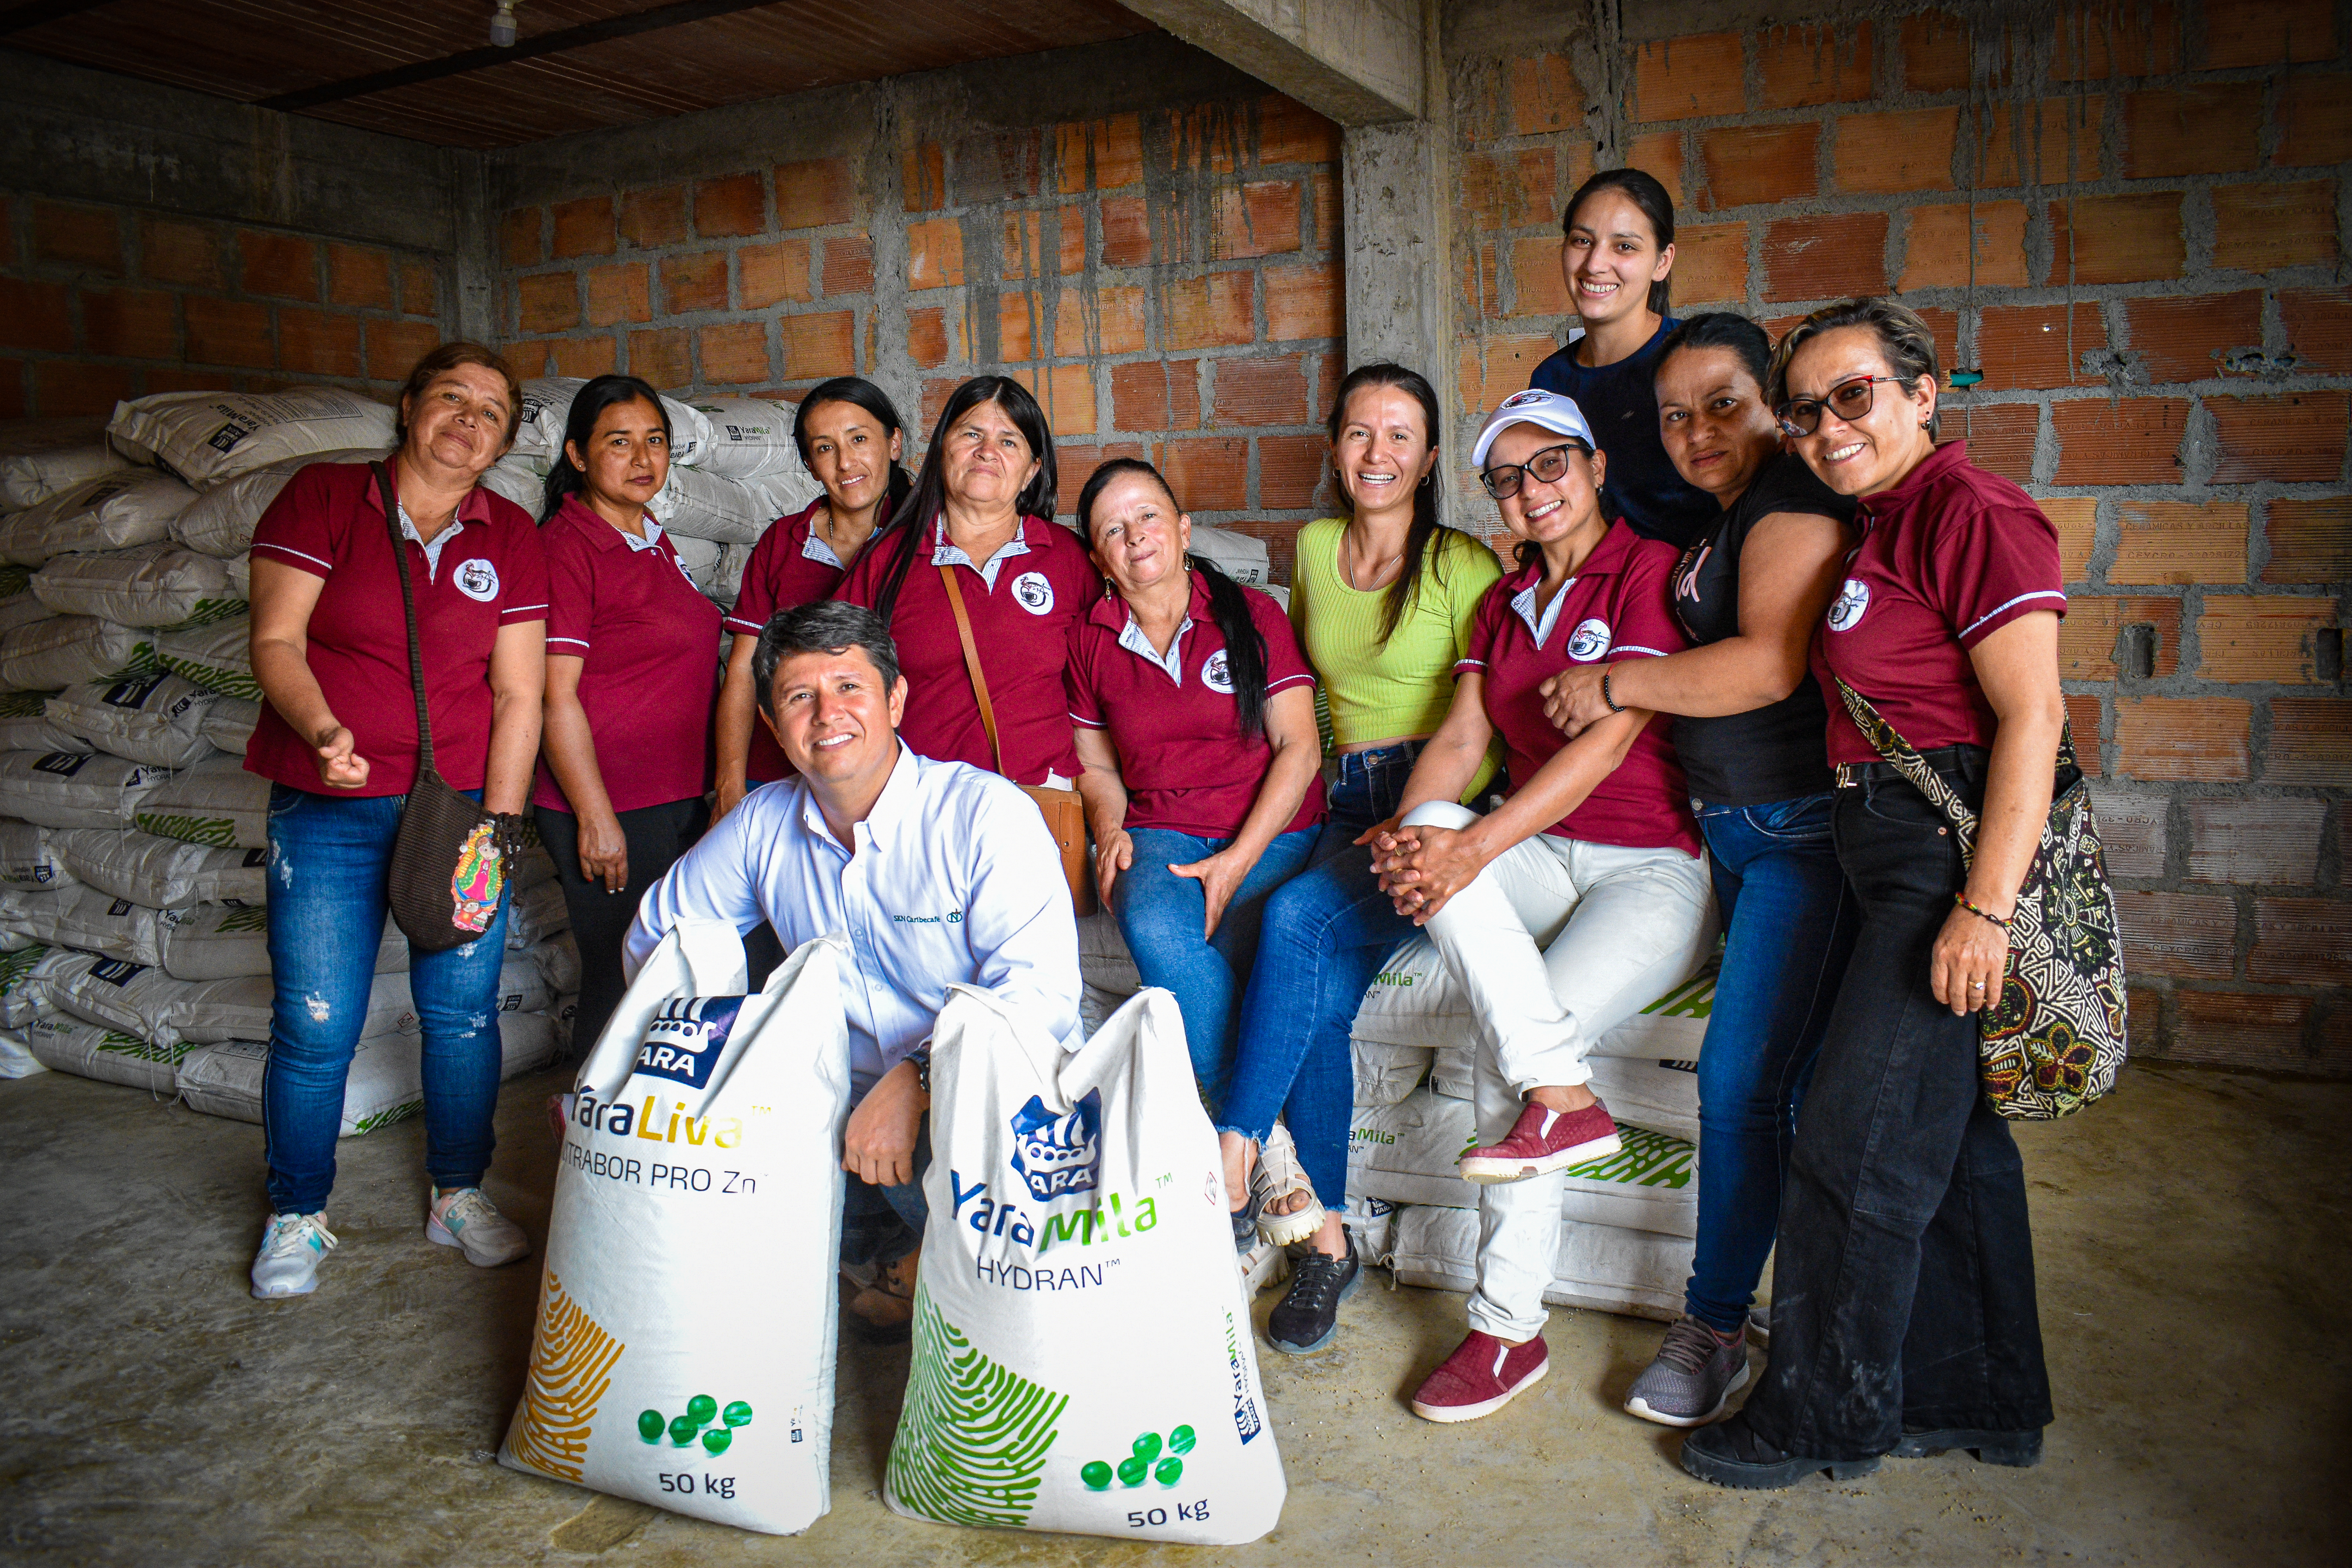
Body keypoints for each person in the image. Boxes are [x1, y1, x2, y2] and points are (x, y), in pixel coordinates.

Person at [1680, 298, 2064, 1489]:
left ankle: (1816, 1416)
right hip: (1882, 848)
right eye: (1804, 410)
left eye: (1850, 395)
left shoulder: (1971, 512)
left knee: (1848, 1144)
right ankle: (1977, 1393)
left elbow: (2032, 717)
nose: (1825, 426)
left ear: (1920, 391)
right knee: (1945, 1145)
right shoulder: (1882, 523)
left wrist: (1982, 906)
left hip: (1935, 866)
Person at [1365, 388, 1717, 1422]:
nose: (1532, 491)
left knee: (1494, 1050)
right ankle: (1566, 1097)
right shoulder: (1501, 603)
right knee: (1427, 813)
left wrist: (1469, 845)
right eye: (1507, 479)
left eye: (1550, 464)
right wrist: (1417, 830)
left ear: (1597, 465)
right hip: (1539, 845)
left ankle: (1505, 1333)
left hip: (1651, 867)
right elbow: (1467, 743)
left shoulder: (1652, 571)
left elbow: (1609, 741)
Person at [1540, 314, 1860, 1427]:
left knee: (1740, 1087)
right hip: (1733, 834)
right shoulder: (1732, 518)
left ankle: (1717, 1325)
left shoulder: (1792, 504)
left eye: (1724, 403)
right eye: (1674, 416)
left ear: (1773, 402)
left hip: (1794, 840)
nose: (1697, 432)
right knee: (1769, 1081)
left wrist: (1620, 684)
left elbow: (1769, 663)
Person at [625, 601, 1080, 1336]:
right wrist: (723, 1057)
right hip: (837, 1101)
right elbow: (658, 939)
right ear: (773, 725)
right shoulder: (762, 826)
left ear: (896, 699)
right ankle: (891, 1254)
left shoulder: (982, 816)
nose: (826, 715)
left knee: (1006, 1299)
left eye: (849, 687)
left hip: (992, 1099)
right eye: (800, 697)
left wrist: (923, 1078)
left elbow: (1042, 996)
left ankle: (942, 1273)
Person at [243, 341, 547, 1300]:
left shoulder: (510, 534)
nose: (469, 419)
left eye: (492, 410)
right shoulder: (329, 499)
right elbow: (276, 638)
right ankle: (298, 1211)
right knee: (314, 1019)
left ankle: (456, 1193)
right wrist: (322, 726)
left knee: (461, 1016)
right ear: (410, 406)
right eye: (452, 397)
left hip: (457, 813)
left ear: (504, 440)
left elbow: (519, 697)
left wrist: (499, 828)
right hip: (325, 808)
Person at [1218, 363, 1503, 1352]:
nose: (1376, 454)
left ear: (1428, 457)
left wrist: (1425, 815)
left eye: (1399, 436)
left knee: (1298, 918)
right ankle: (1327, 1242)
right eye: (1358, 434)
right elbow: (1311, 697)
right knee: (1317, 997)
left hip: (1435, 804)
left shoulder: (1465, 566)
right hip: (1342, 796)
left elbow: (1484, 719)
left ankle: (1236, 1145)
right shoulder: (1312, 546)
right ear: (1335, 448)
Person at [1065, 457, 1323, 1221]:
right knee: (1152, 927)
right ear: (1097, 557)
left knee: (1250, 950)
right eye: (1113, 528)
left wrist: (1238, 860)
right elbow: (1095, 762)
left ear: (1181, 530)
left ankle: (1234, 1144)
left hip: (1272, 829)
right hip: (1160, 829)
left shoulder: (1251, 615)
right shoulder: (1091, 642)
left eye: (1148, 516)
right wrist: (1110, 828)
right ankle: (1266, 1144)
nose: (1134, 535)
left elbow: (1301, 750)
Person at [532, 374, 723, 1059]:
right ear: (578, 456)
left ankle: (641, 1140)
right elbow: (555, 695)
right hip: (613, 801)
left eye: (656, 442)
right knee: (624, 981)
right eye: (620, 443)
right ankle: (592, 1138)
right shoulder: (569, 546)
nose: (644, 459)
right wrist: (595, 816)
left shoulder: (650, 536)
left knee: (666, 977)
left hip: (671, 796)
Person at [833, 375, 1096, 788]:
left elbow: (1107, 689)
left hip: (1038, 801)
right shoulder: (890, 559)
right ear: (942, 450)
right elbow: (834, 674)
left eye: (1009, 442)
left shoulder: (1068, 558)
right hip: (923, 800)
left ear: (1031, 471)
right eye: (972, 433)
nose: (987, 452)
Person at [714, 377, 912, 814]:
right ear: (809, 463)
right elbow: (744, 672)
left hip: (892, 779)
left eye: (859, 439)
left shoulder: (926, 542)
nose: (845, 462)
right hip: (782, 777)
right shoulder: (783, 544)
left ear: (894, 443)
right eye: (825, 449)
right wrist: (730, 784)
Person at [1528, 169, 1717, 551]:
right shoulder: (1550, 380)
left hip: (1692, 593)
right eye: (1583, 240)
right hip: (1595, 597)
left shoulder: (1700, 357)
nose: (1595, 263)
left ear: (1663, 261)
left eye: (1624, 247)